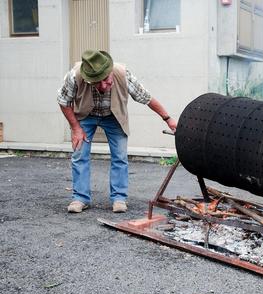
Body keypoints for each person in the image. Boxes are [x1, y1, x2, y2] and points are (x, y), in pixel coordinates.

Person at [57, 49, 177, 213]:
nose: (104, 86)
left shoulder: (122, 74)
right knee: (79, 154)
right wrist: (76, 128)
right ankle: (80, 198)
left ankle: (119, 198)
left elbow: (146, 98)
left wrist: (168, 119)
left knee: (120, 156)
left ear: (110, 71)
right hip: (86, 115)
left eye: (106, 80)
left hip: (114, 116)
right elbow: (63, 101)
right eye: (97, 83)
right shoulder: (74, 76)